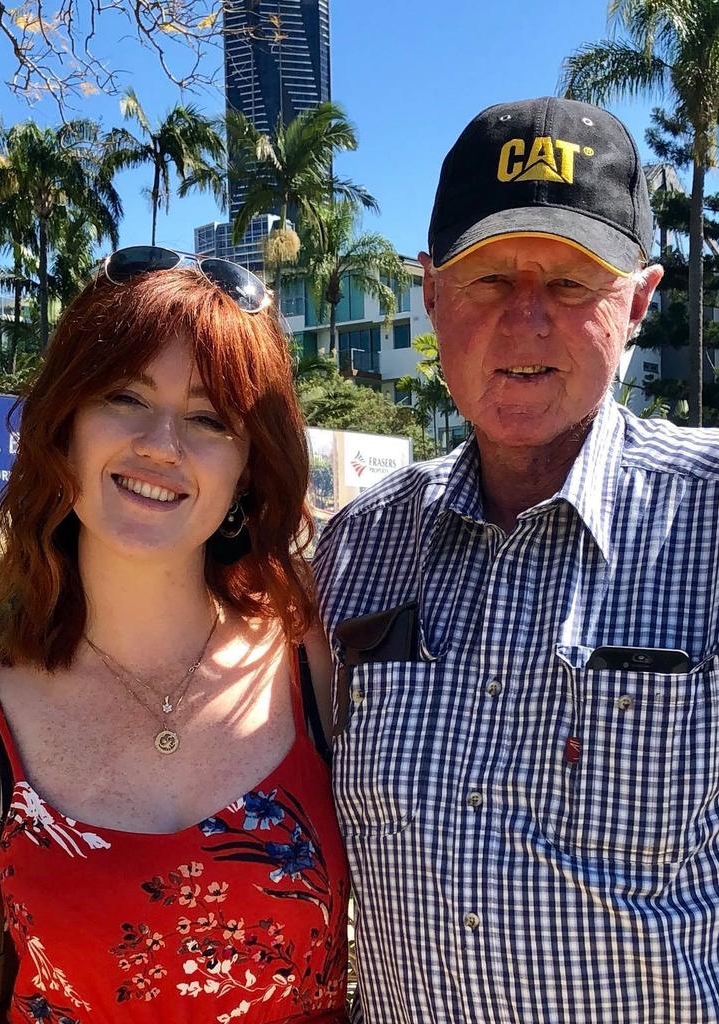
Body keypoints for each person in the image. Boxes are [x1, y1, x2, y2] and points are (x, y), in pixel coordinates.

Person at [314, 96, 719, 1023]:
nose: (526, 319)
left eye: (572, 284)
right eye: (489, 279)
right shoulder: (358, 550)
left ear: (640, 301)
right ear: (429, 296)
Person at [0, 247, 349, 1023]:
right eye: (126, 397)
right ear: (64, 430)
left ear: (247, 470)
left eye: (207, 418)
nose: (162, 444)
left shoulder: (315, 658)